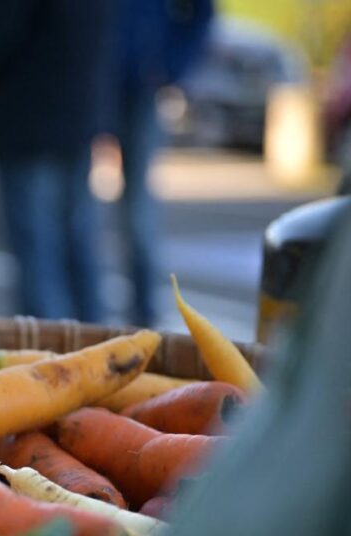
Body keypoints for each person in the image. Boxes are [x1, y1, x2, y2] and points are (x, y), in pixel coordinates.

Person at [0, 0, 113, 322]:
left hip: (30, 117)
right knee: (75, 245)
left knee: (40, 254)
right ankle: (98, 352)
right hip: (75, 114)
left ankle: (53, 358)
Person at [110, 0, 214, 327]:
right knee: (74, 213)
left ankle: (144, 315)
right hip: (89, 79)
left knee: (138, 213)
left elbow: (201, 15)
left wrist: (170, 65)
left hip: (139, 86)